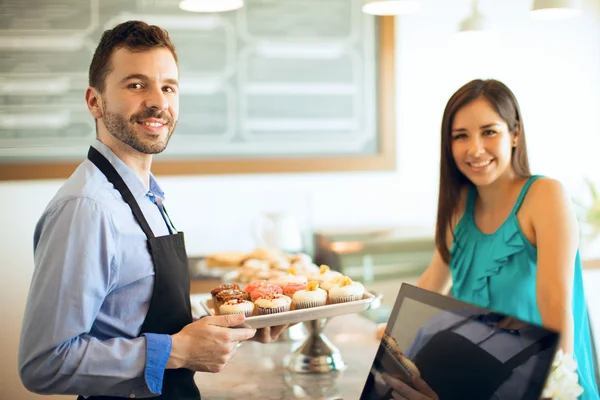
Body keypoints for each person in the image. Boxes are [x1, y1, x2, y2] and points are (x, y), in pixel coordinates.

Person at [18, 20, 286, 399]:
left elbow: (134, 319)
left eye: (168, 87)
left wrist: (227, 328)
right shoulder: (87, 208)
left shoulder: (147, 195)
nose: (158, 101)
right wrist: (179, 351)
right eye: (136, 84)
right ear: (95, 101)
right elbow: (44, 364)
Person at [385, 79, 599, 399]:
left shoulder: (544, 195)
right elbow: (433, 280)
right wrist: (390, 335)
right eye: (461, 136)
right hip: (476, 379)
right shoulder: (458, 206)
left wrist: (554, 387)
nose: (475, 149)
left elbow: (557, 307)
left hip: (542, 382)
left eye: (489, 131)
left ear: (514, 134)